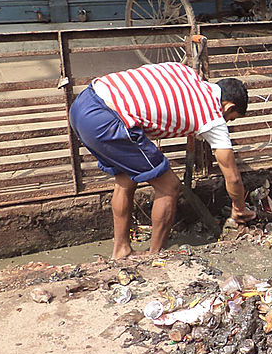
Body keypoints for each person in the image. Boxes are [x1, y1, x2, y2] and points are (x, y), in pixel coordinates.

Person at [68, 62, 256, 259]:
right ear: (228, 107)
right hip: (107, 119)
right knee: (170, 187)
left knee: (126, 179)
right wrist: (238, 209)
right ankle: (156, 257)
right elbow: (233, 178)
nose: (227, 123)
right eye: (231, 118)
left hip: (84, 104)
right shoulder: (213, 117)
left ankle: (121, 250)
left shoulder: (185, 71)